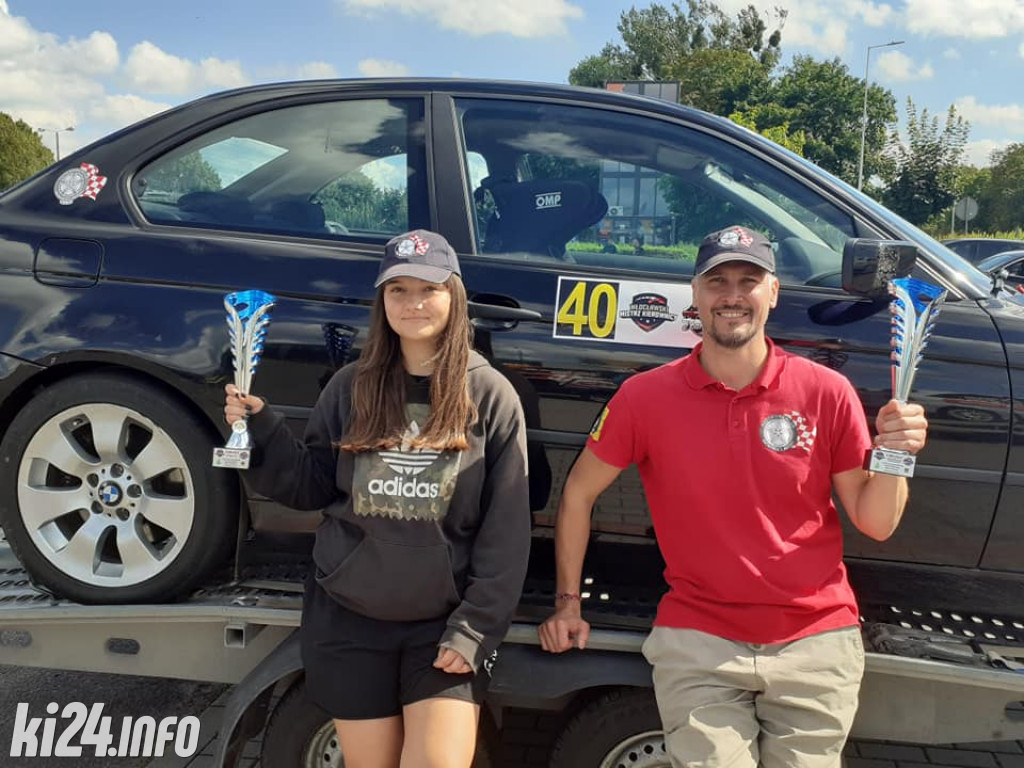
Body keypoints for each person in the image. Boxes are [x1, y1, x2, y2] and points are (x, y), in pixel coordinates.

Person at [538, 225, 928, 768]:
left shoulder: (825, 391)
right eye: (717, 281)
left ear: (774, 293)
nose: (733, 295)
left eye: (749, 280)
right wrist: (567, 603)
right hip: (699, 640)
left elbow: (876, 521)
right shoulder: (645, 397)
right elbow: (578, 494)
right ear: (695, 296)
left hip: (814, 642)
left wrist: (896, 453)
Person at [225, 229, 530, 768]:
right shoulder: (350, 386)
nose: (413, 303)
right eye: (398, 290)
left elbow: (506, 528)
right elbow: (311, 485)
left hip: (441, 625)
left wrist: (475, 630)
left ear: (454, 296)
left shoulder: (490, 394)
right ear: (381, 300)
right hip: (350, 619)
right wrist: (261, 428)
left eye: (428, 289)